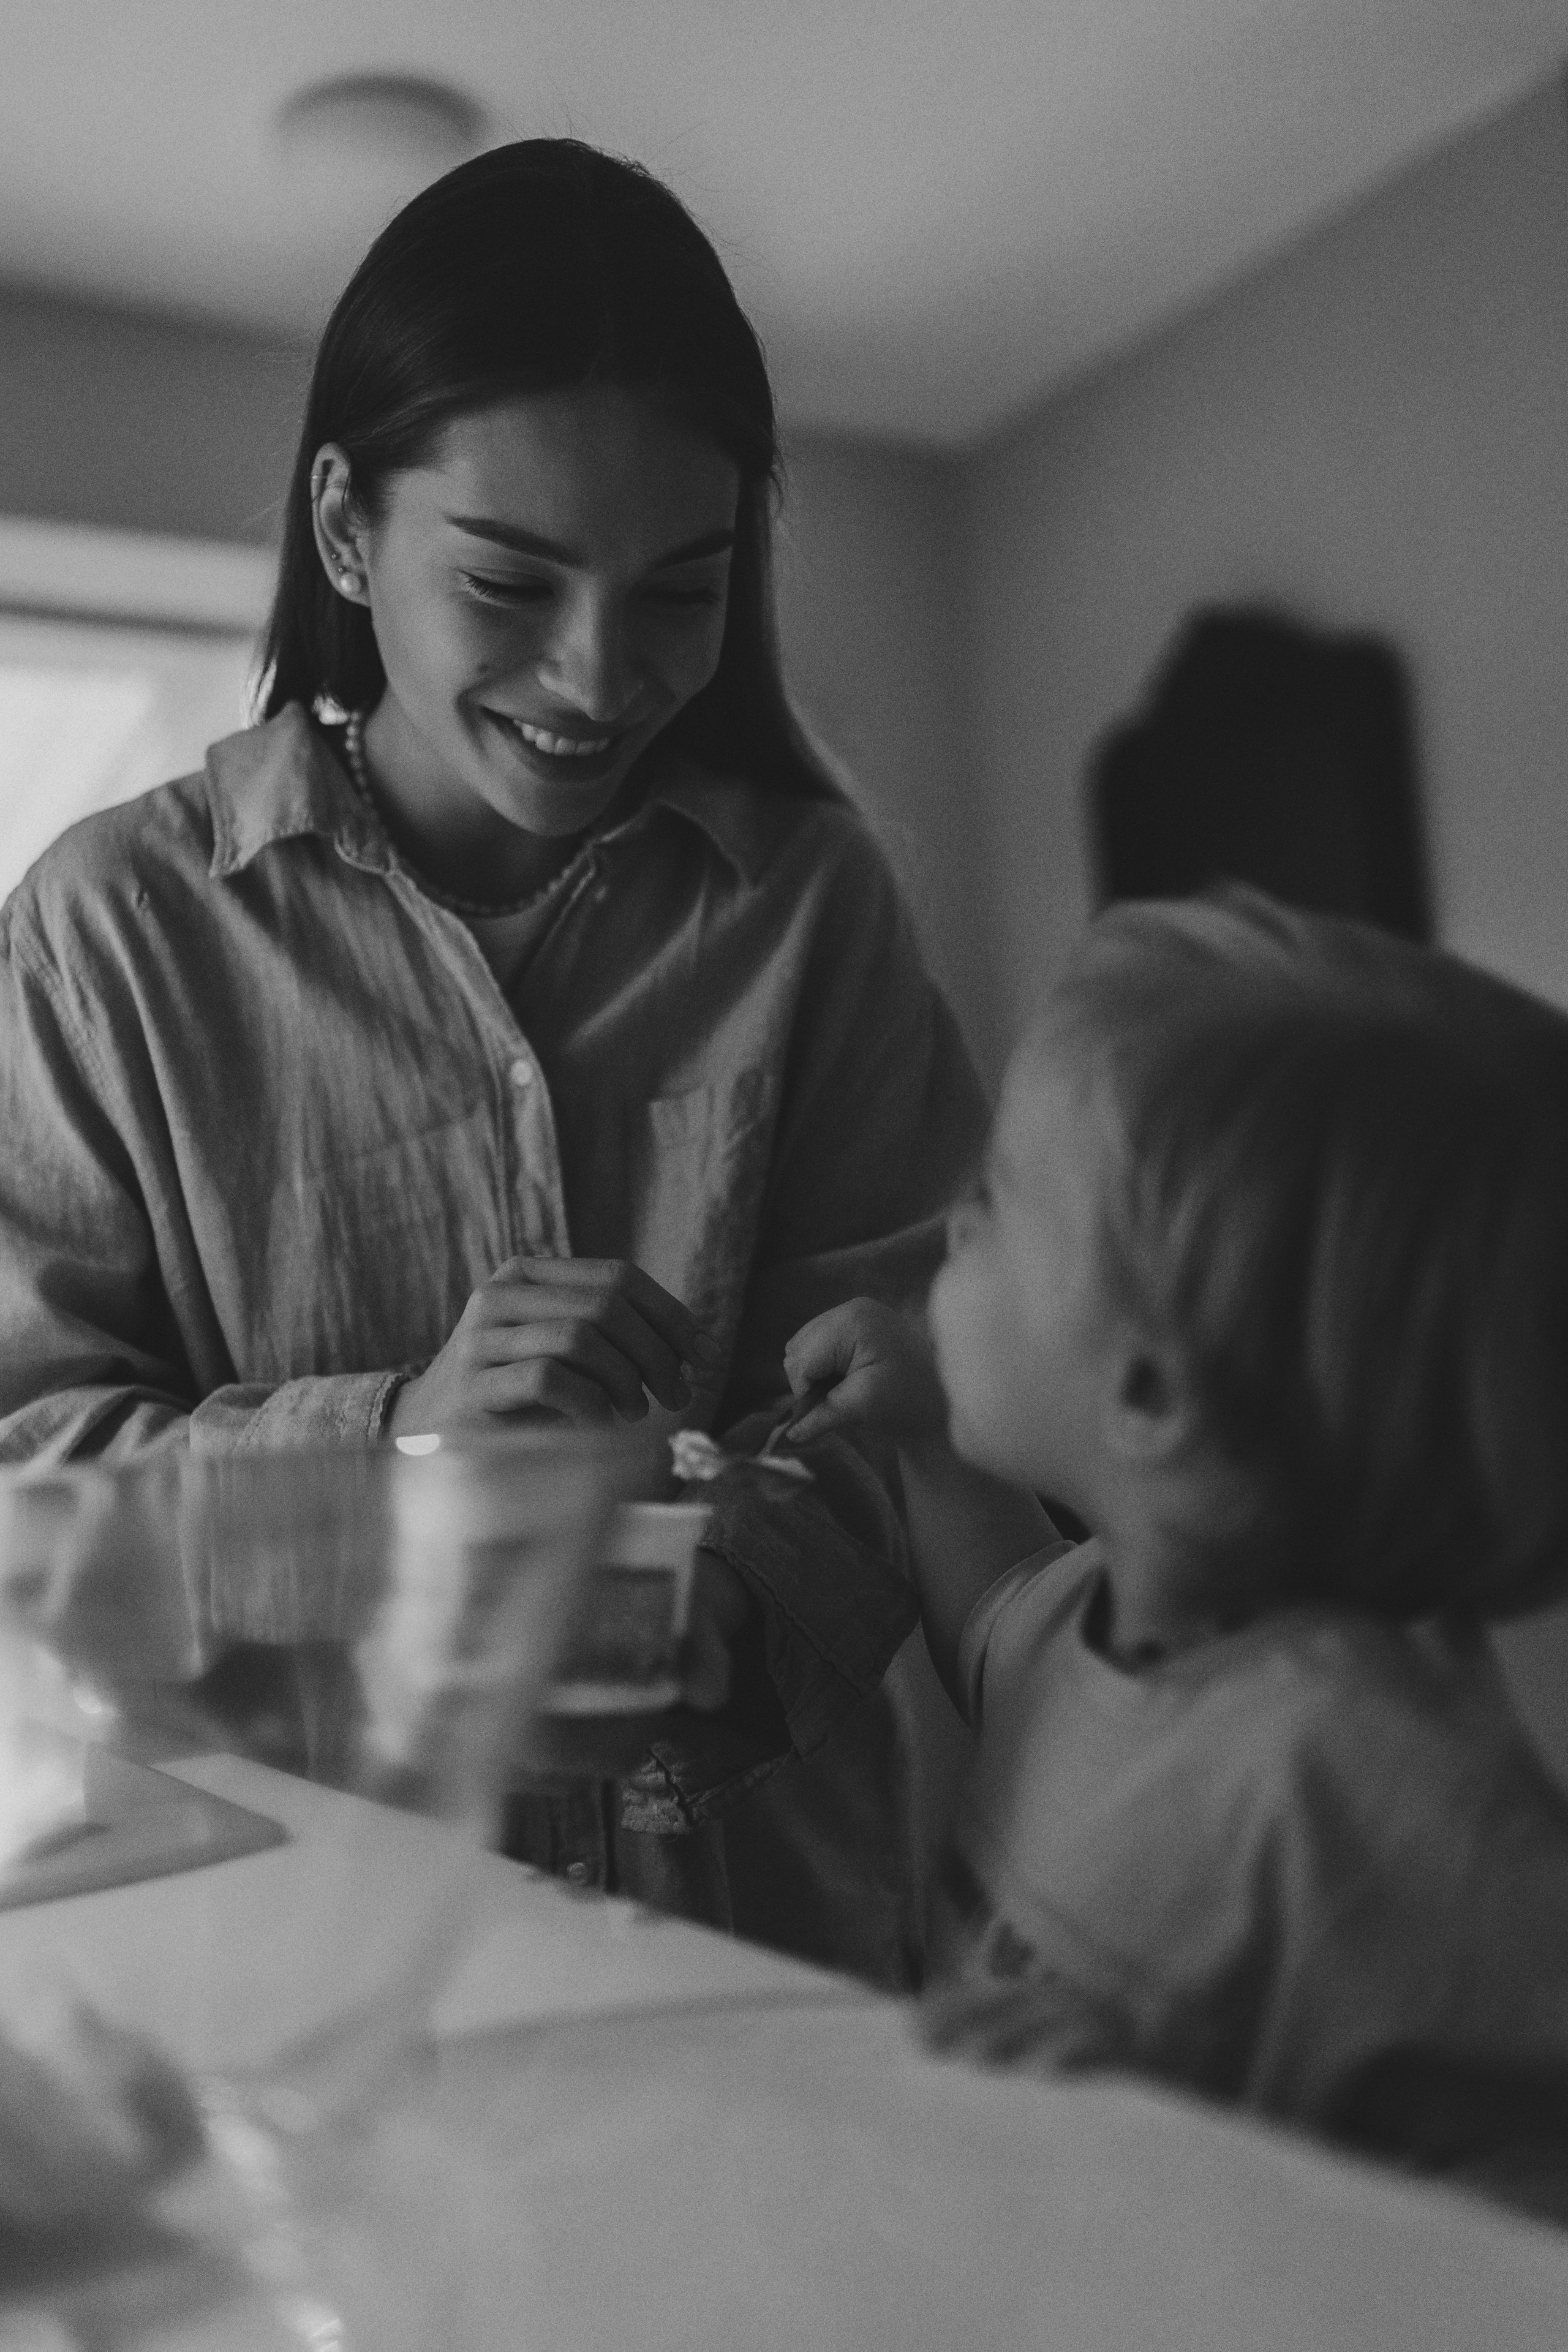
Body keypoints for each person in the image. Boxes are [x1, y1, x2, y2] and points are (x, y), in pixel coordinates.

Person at [0, 140, 988, 1982]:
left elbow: (899, 1401)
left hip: (760, 1963)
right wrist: (394, 1440)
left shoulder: (812, 906)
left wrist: (698, 1632)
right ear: (346, 528)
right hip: (301, 1984)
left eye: (680, 590)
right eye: (510, 583)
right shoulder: (105, 935)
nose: (602, 678)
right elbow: (23, 1493)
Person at [783, 889, 1568, 2217]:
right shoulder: (1111, 1616)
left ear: (1146, 1394)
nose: (955, 1231)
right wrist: (926, 1440)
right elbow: (992, 1622)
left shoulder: (1363, 1777)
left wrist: (1212, 2150)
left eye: (996, 1201)